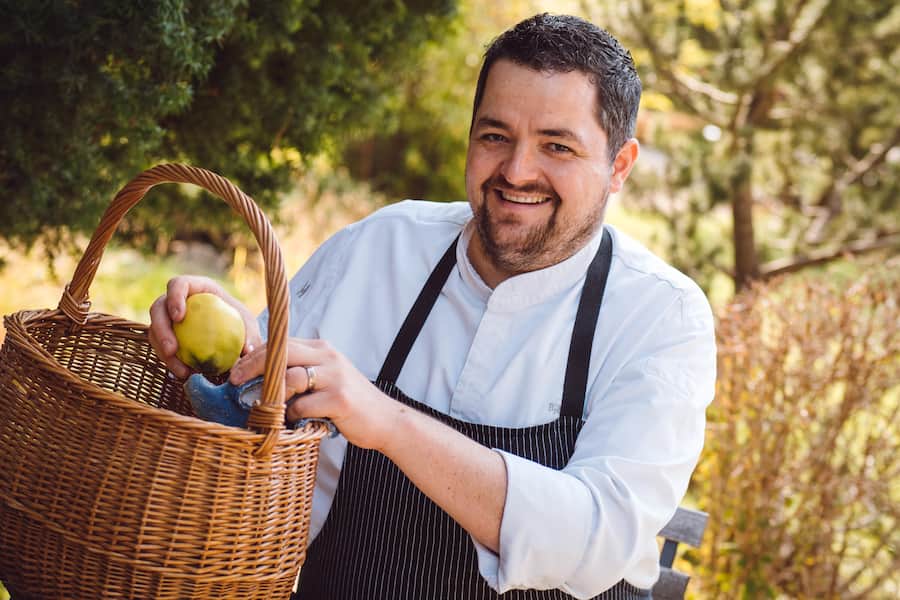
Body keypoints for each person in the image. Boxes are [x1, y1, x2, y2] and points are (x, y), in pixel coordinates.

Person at [149, 13, 716, 599]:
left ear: (619, 166)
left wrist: (387, 422)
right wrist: (235, 344)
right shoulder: (380, 248)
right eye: (495, 136)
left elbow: (597, 537)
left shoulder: (660, 316)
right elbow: (254, 410)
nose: (517, 171)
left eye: (557, 146)